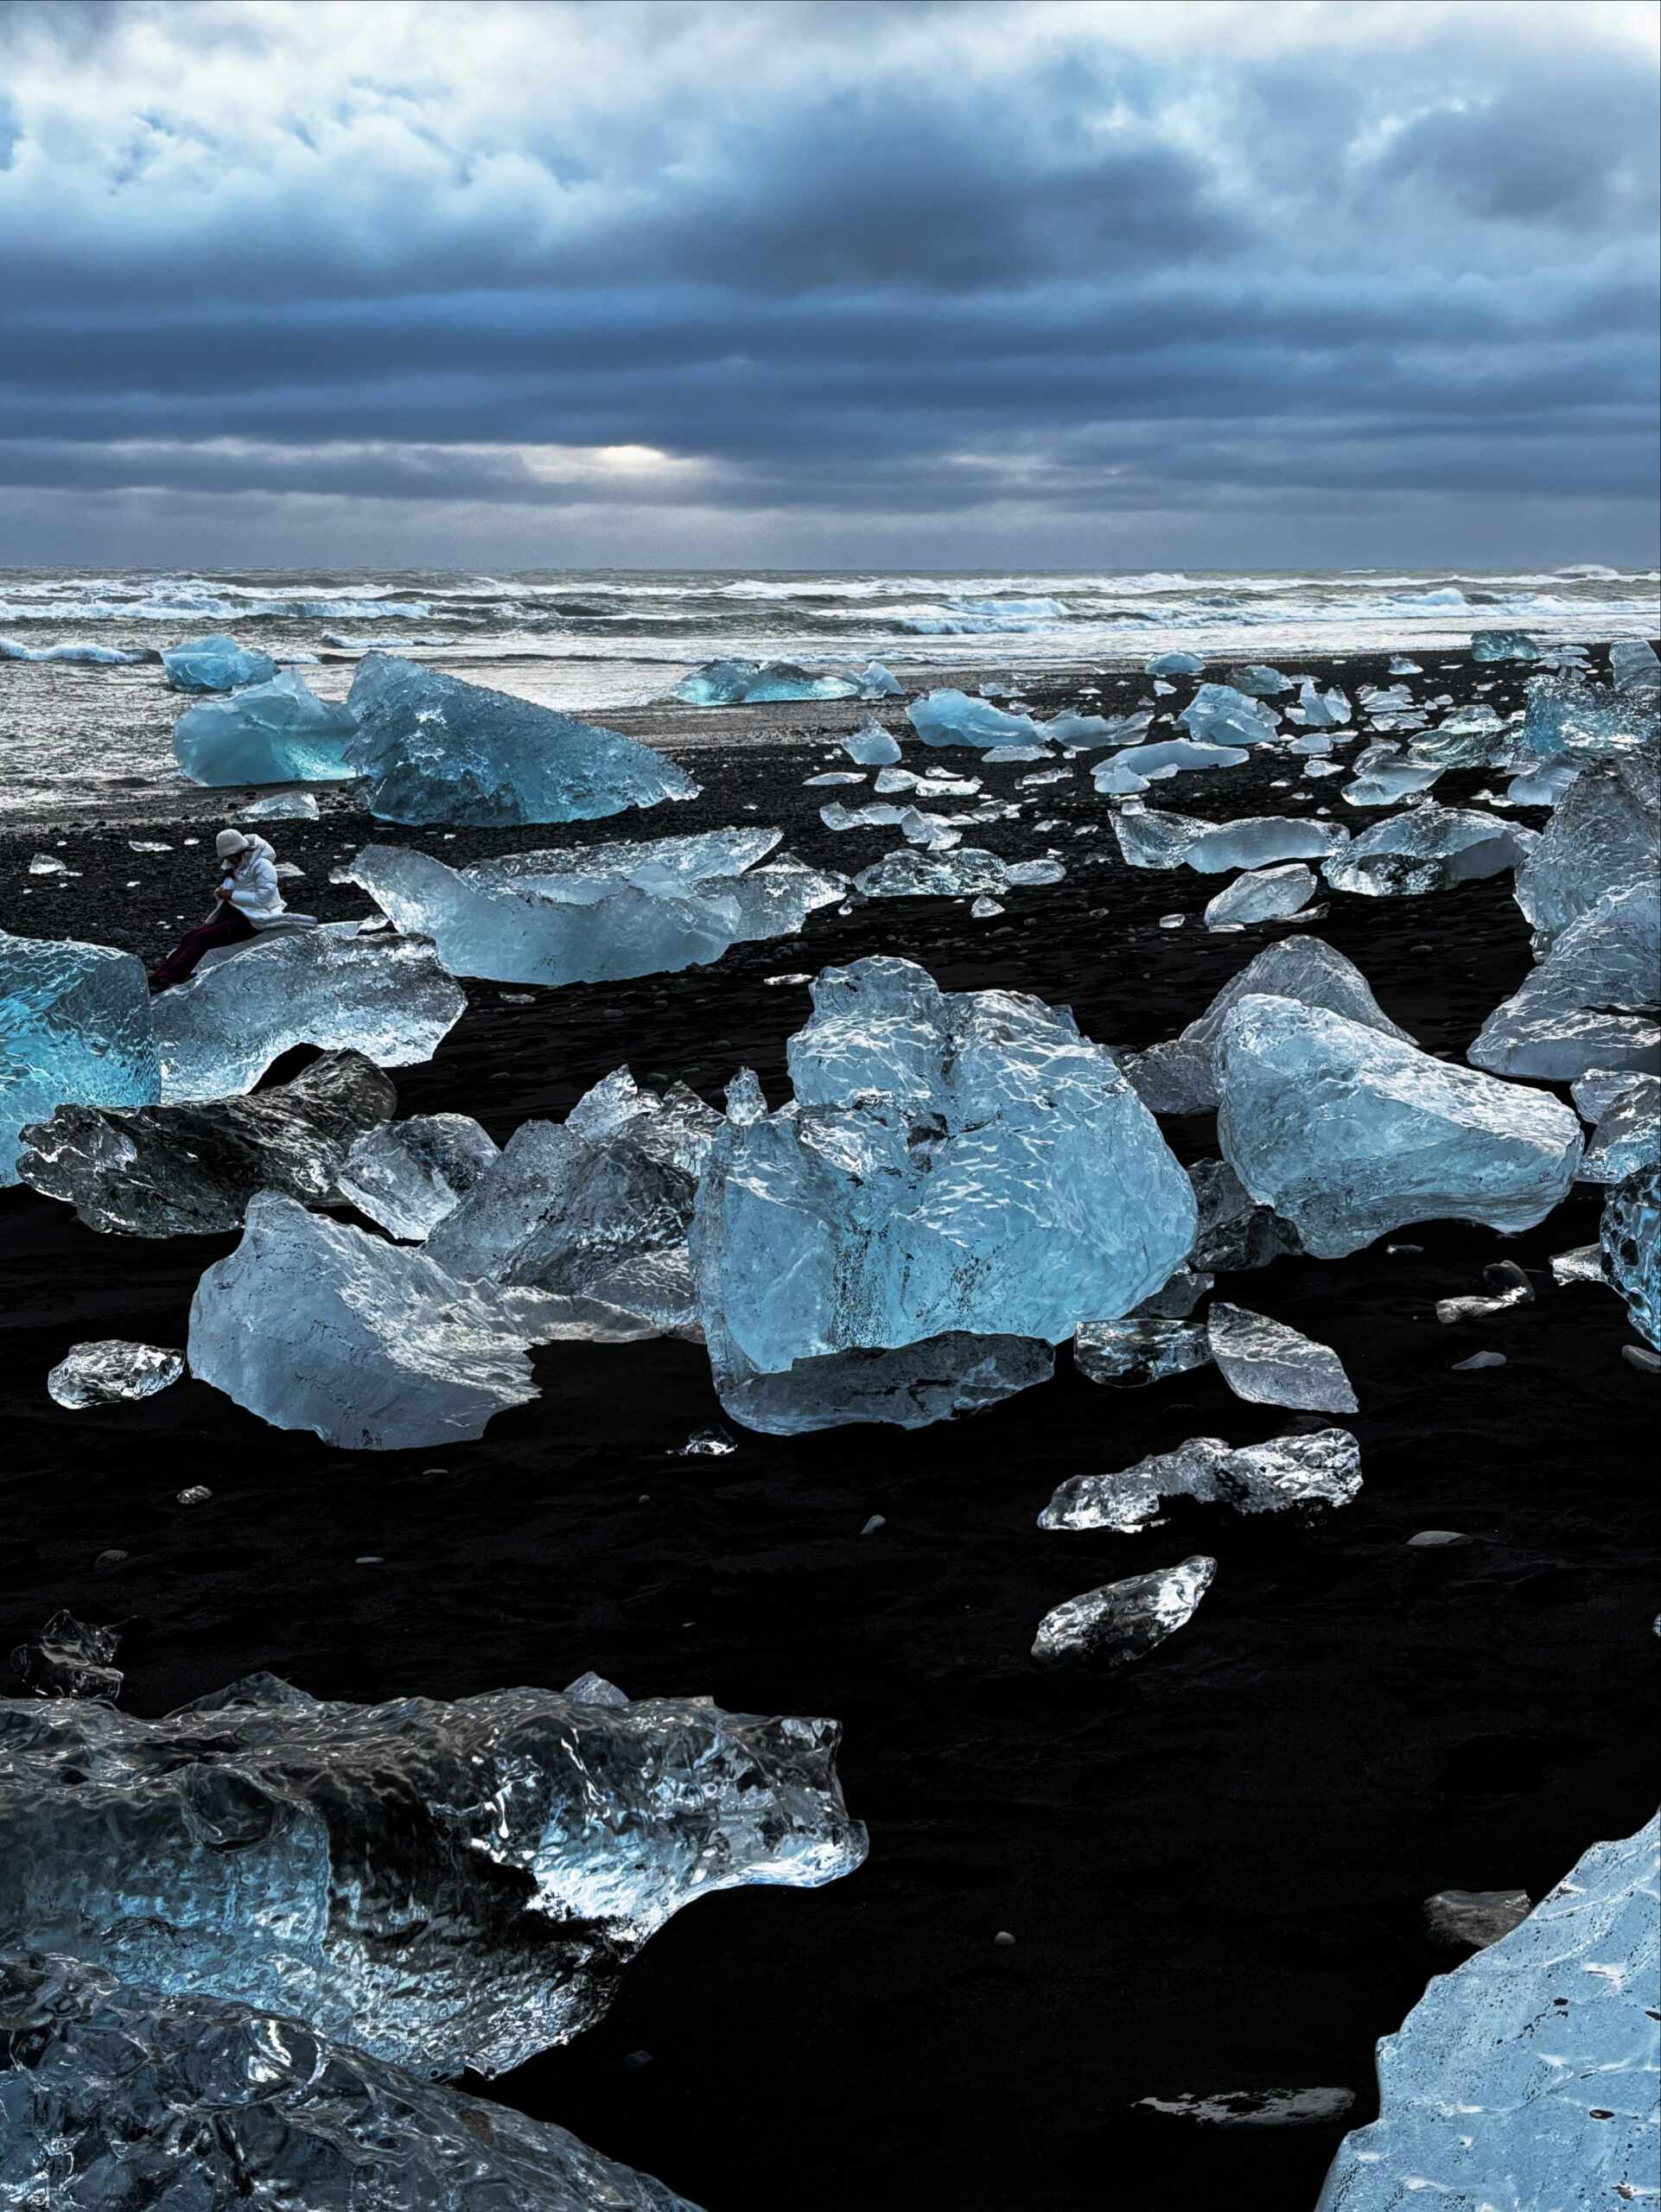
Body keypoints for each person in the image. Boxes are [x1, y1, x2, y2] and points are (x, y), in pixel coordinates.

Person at [149, 828, 289, 990]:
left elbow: (263, 897)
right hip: (237, 914)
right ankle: (159, 976)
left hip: (256, 918)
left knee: (202, 939)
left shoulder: (262, 866)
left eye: (231, 856)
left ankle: (169, 978)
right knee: (191, 936)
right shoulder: (237, 865)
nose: (229, 860)